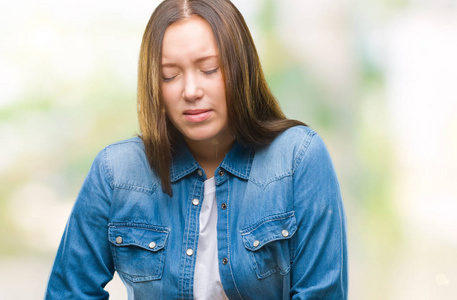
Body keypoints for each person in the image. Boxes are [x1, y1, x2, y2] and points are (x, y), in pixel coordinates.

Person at [45, 0, 348, 299]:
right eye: (169, 75)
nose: (191, 91)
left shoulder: (298, 157)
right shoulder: (117, 171)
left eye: (209, 69)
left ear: (241, 68)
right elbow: (68, 292)